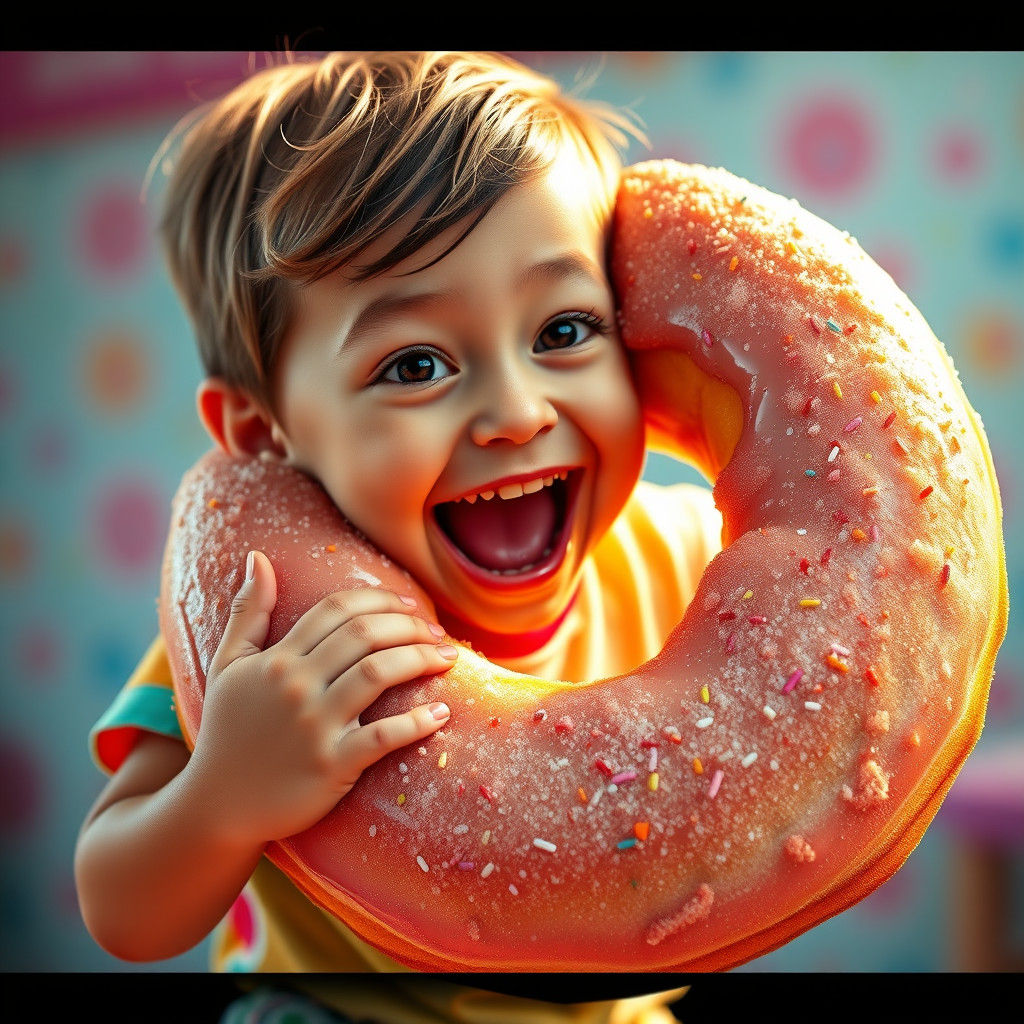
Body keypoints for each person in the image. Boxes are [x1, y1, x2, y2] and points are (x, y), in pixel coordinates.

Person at [75, 51, 722, 1023]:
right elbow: (120, 910)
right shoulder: (277, 629)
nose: (516, 412)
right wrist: (224, 796)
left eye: (561, 331)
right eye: (416, 364)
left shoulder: (684, 559)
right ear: (262, 429)